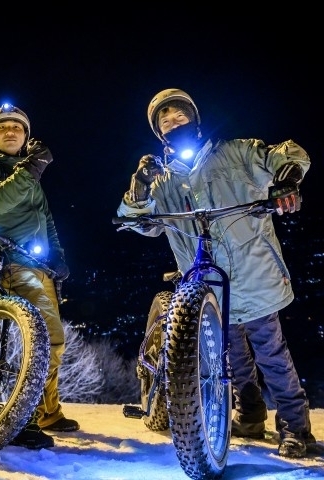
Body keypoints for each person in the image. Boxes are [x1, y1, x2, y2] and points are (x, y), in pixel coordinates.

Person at [117, 88, 316, 458]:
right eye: (166, 122)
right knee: (230, 356)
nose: (174, 124)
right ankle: (249, 415)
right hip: (207, 285)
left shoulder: (235, 153)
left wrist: (286, 179)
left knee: (271, 353)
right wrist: (140, 186)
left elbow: (287, 155)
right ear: (159, 133)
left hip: (252, 273)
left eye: (180, 117)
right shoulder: (163, 180)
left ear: (194, 119)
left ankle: (295, 428)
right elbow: (136, 222)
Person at [0, 103, 79, 450]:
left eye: (17, 127)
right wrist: (32, 167)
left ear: (26, 136)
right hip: (9, 260)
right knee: (49, 336)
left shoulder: (27, 172)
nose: (10, 132)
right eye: (2, 128)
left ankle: (48, 411)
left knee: (52, 336)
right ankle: (23, 418)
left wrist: (58, 256)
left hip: (38, 264)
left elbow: (46, 219)